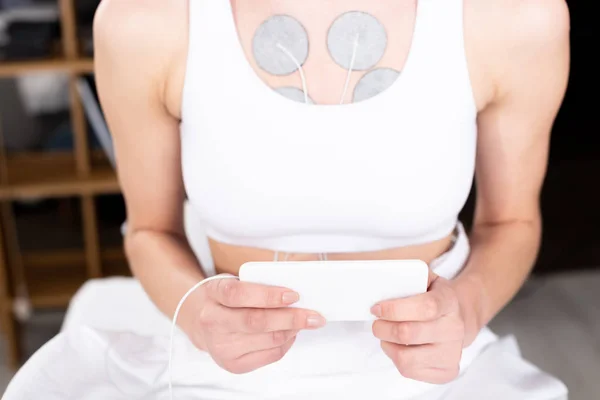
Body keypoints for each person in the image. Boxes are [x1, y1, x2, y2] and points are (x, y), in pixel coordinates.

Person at [2, 0, 570, 399]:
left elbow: (513, 222)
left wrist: (466, 308)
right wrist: (199, 313)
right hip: (225, 373)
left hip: (434, 375)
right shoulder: (143, 22)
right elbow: (149, 232)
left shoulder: (515, 17)